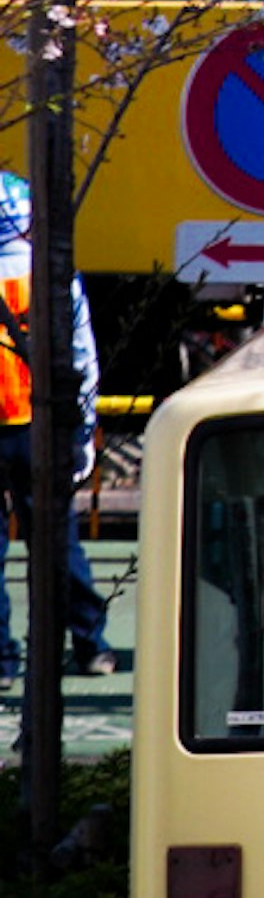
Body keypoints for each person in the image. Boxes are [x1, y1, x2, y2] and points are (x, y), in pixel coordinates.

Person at [0, 170, 111, 679]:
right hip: (39, 424)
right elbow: (81, 353)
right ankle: (91, 645)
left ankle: (3, 656)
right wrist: (83, 427)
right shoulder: (51, 277)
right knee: (57, 538)